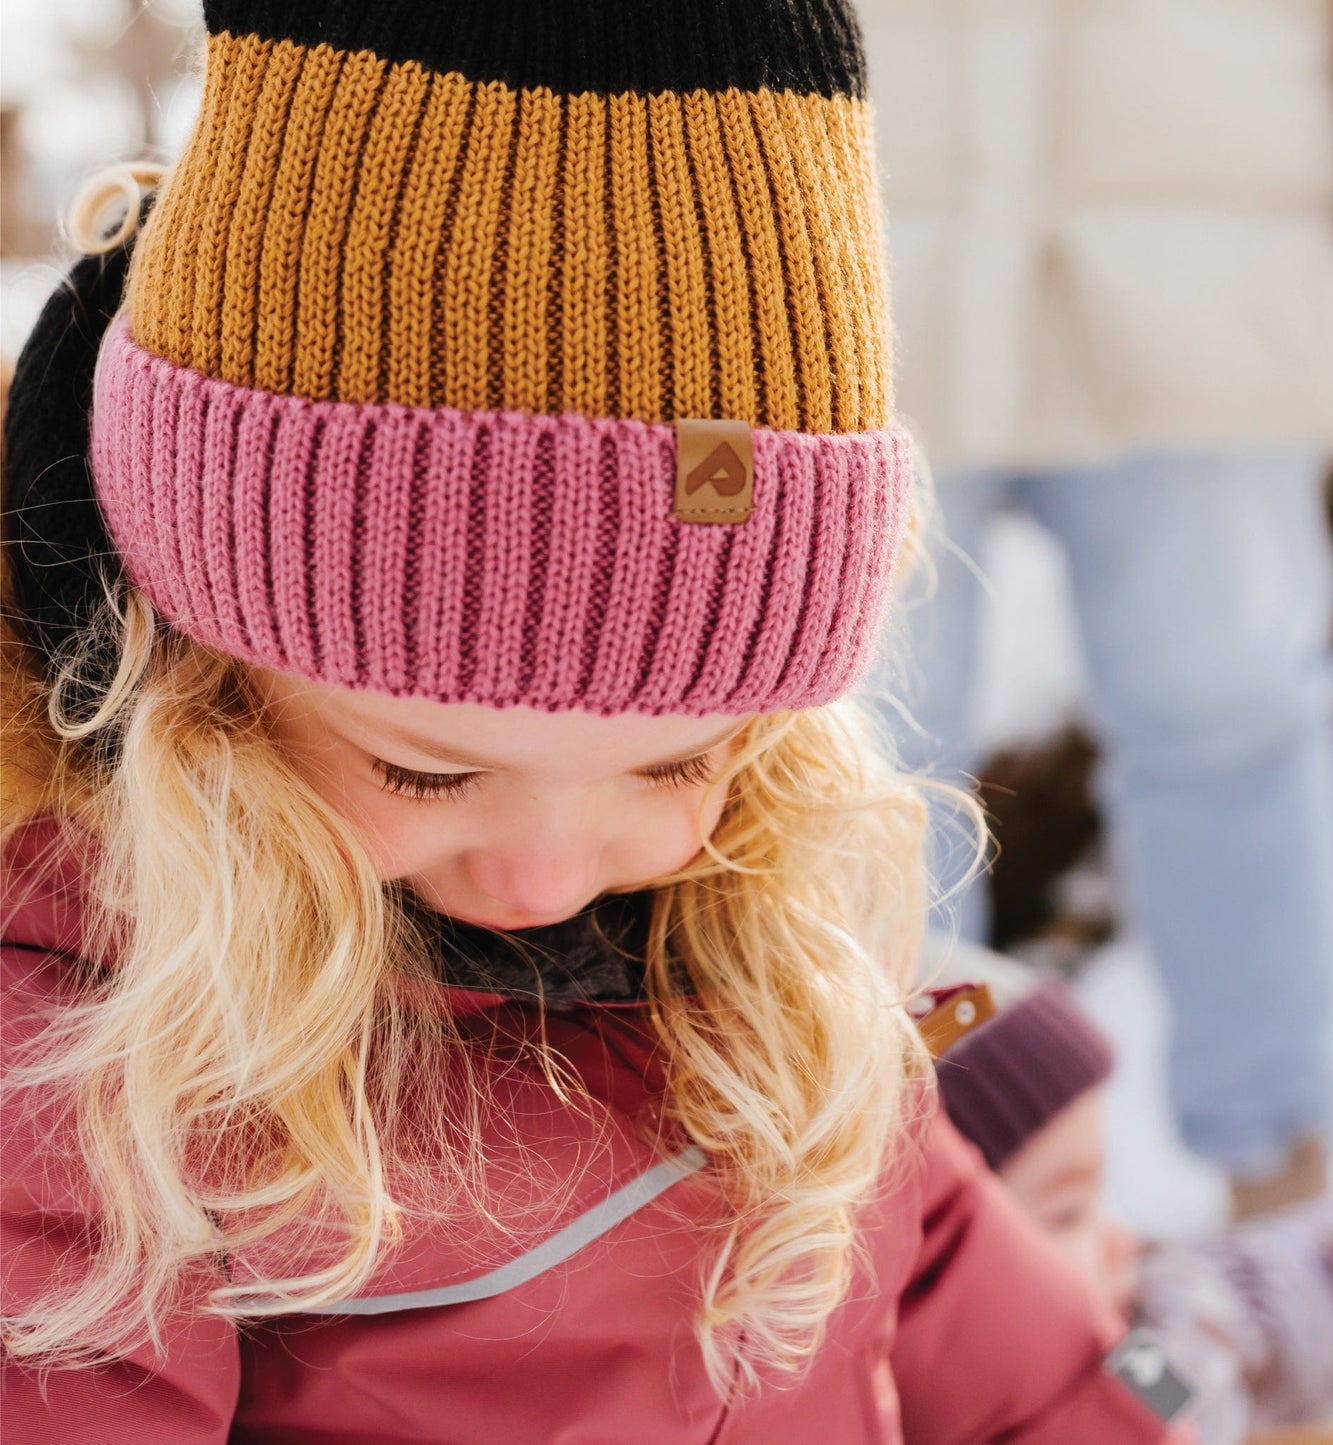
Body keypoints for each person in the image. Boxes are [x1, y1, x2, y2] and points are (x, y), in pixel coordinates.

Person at [0, 3, 1195, 1440]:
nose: (552, 874)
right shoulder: (88, 1067)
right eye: (427, 770)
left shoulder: (757, 959)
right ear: (197, 669)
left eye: (676, 761)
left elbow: (1006, 1356)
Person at [852, 0, 1333, 1215]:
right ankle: (894, 1176)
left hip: (1207, 180)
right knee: (859, 751)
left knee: (1228, 705)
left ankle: (1280, 1179)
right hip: (852, 183)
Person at [936, 973, 1333, 1443]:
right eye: (1066, 1213)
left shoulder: (1141, 1340)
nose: (1119, 1234)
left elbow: (1285, 1296)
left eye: (1099, 1196)